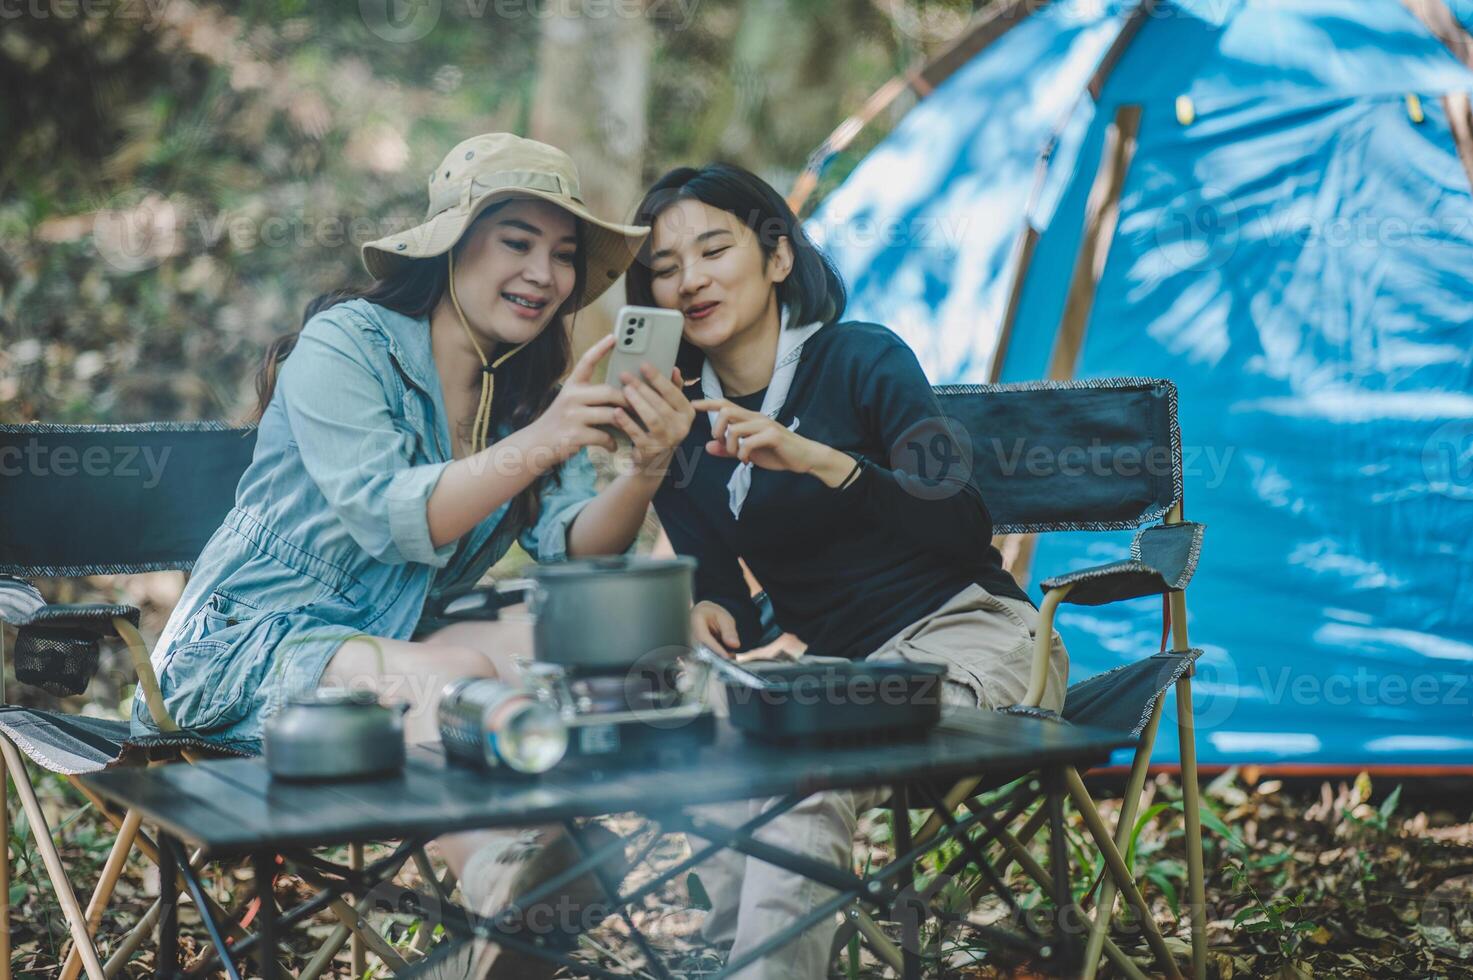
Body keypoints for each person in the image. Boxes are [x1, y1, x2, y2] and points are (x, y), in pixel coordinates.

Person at [132, 133, 695, 977]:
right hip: (234, 656)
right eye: (517, 242)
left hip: (384, 646)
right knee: (461, 668)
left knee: (572, 643)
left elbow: (574, 543)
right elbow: (388, 514)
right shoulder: (346, 345)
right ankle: (513, 895)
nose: (544, 274)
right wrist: (542, 441)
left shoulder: (527, 389)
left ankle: (534, 888)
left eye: (565, 255)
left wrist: (646, 468)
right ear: (451, 245)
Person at [626, 162, 1070, 979]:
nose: (689, 280)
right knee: (714, 753)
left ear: (778, 257)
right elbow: (711, 573)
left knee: (810, 771)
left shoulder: (863, 358)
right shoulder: (685, 420)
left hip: (975, 639)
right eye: (664, 266)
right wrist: (710, 607)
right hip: (842, 677)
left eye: (713, 249)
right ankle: (730, 962)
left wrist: (827, 463)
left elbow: (966, 521)